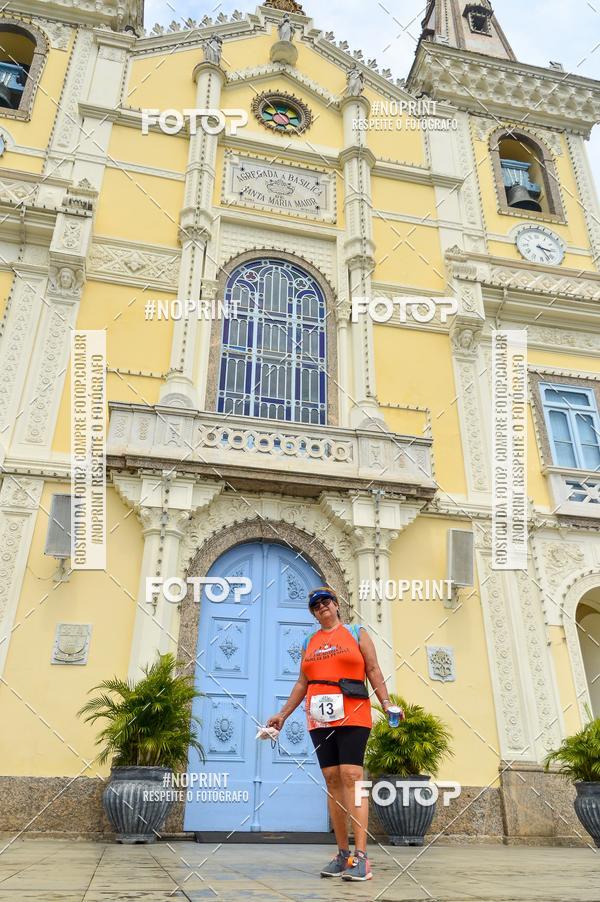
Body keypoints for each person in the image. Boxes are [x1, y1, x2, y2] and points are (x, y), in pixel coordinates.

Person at [267, 585, 393, 882]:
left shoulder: (357, 632)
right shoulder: (309, 641)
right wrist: (282, 715)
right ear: (313, 613)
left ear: (337, 605)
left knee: (352, 775)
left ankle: (361, 857)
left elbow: (373, 669)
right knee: (332, 779)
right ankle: (341, 853)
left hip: (353, 711)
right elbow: (302, 682)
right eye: (315, 606)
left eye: (325, 602)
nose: (321, 607)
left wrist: (386, 702)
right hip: (320, 717)